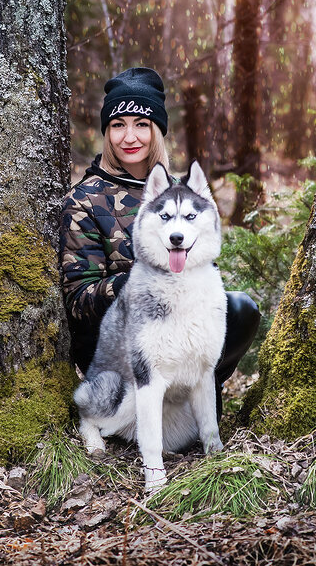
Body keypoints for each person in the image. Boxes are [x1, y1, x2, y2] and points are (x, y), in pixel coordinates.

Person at [60, 66, 260, 417]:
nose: (129, 136)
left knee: (240, 309)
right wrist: (139, 279)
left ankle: (198, 396)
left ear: (157, 131)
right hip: (117, 342)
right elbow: (78, 301)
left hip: (182, 325)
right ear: (107, 132)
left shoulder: (180, 194)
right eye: (118, 125)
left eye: (141, 124)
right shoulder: (85, 199)